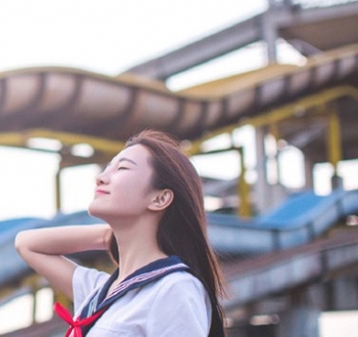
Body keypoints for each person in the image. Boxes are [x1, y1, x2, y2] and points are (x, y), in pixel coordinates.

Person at [14, 129, 227, 336]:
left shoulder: (174, 288)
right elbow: (26, 244)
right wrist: (109, 235)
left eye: (122, 168)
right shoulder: (99, 292)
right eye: (108, 167)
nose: (101, 177)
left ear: (160, 198)